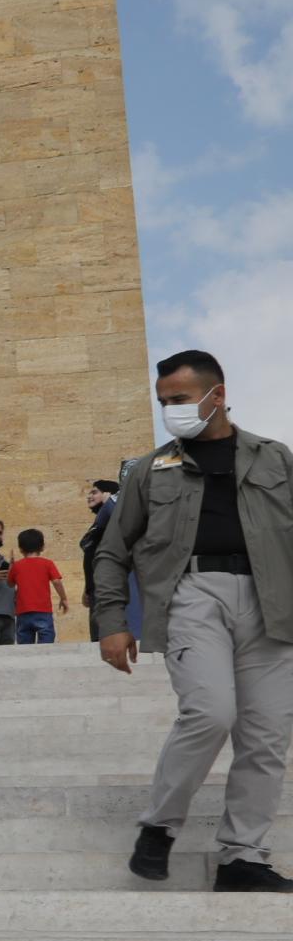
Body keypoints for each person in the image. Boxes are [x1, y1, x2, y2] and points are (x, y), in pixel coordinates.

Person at [103, 349, 293, 893]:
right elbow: (113, 551)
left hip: (272, 602)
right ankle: (160, 825)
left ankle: (242, 859)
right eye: (164, 402)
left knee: (265, 736)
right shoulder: (148, 470)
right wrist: (113, 620)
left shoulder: (275, 460)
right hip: (192, 594)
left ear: (218, 395)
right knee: (210, 712)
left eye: (180, 400)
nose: (171, 411)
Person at [80, 478, 122, 640]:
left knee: (104, 637)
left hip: (107, 585)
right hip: (96, 588)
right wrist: (87, 588)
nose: (89, 496)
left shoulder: (112, 515)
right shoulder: (99, 522)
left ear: (107, 494)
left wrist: (109, 501)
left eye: (94, 492)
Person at [9, 529, 66, 644]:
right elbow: (56, 582)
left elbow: (10, 584)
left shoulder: (17, 566)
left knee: (25, 648)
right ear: (42, 547)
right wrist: (63, 598)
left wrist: (11, 567)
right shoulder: (47, 564)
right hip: (43, 611)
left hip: (23, 612)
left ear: (20, 548)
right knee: (46, 645)